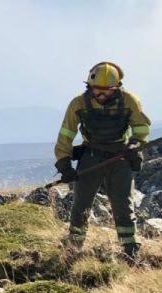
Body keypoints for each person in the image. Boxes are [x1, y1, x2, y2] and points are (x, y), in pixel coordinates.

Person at [54, 62, 151, 264]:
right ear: (89, 86)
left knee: (123, 205)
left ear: (117, 87)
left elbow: (141, 128)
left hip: (120, 157)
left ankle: (130, 251)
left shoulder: (129, 101)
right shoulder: (78, 104)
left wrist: (135, 144)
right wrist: (64, 164)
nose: (101, 94)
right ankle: (73, 248)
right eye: (97, 90)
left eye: (107, 91)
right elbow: (66, 135)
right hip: (90, 156)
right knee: (81, 205)